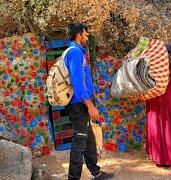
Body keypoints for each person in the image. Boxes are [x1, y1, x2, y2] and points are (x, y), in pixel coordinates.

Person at [64, 23, 114, 180]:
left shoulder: (78, 52)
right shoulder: (74, 53)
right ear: (78, 35)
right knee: (80, 140)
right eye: (85, 34)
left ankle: (96, 172)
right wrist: (90, 105)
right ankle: (73, 178)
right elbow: (78, 83)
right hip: (77, 105)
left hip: (81, 103)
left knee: (89, 139)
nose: (87, 37)